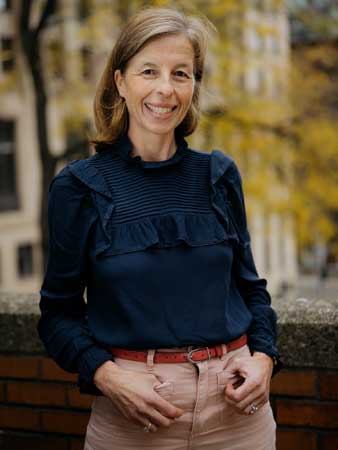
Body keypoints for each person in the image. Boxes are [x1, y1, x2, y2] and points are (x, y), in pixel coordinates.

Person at [37, 7, 282, 450]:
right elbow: (58, 314)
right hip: (135, 421)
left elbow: (252, 290)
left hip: (239, 416)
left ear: (194, 85)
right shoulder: (78, 188)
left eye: (181, 73)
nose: (165, 89)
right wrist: (106, 375)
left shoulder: (219, 176)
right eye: (149, 71)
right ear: (120, 82)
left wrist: (264, 357)